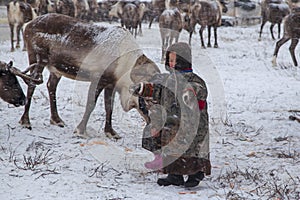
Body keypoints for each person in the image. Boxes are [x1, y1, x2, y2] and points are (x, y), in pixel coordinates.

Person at [130, 42, 211, 188]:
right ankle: (175, 175)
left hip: (191, 124)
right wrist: (143, 89)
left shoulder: (194, 80)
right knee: (172, 147)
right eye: (170, 60)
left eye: (175, 60)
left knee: (192, 149)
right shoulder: (167, 79)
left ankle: (195, 172)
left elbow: (201, 91)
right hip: (173, 123)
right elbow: (158, 90)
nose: (172, 63)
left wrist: (189, 91)